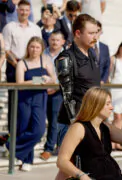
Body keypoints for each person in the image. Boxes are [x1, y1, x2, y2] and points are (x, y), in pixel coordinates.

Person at [55, 13, 101, 180]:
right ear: (77, 33)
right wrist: (77, 124)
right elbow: (67, 95)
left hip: (91, 121)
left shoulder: (93, 55)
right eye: (90, 33)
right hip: (72, 122)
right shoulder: (65, 58)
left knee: (86, 168)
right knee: (69, 168)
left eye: (96, 32)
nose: (95, 37)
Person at [11, 36, 56, 171]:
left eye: (37, 47)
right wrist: (38, 80)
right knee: (24, 127)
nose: (34, 49)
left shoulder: (46, 60)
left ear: (41, 48)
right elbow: (19, 83)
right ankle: (27, 161)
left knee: (39, 130)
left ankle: (12, 146)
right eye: (32, 46)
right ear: (28, 48)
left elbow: (53, 78)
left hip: (40, 98)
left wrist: (48, 79)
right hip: (25, 98)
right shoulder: (22, 63)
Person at [2, 0, 42, 132]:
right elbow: (6, 50)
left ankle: (29, 133)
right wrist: (19, 65)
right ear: (17, 10)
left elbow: (40, 47)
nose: (24, 12)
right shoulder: (9, 27)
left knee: (31, 100)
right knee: (14, 102)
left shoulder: (35, 28)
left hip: (32, 69)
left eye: (27, 10)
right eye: (22, 9)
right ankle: (12, 135)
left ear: (30, 11)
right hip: (14, 67)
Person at [40, 31, 65, 161]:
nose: (54, 42)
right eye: (52, 39)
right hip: (41, 90)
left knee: (54, 120)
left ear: (63, 42)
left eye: (57, 40)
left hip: (58, 91)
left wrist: (55, 87)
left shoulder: (67, 55)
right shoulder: (42, 53)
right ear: (49, 40)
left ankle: (49, 148)